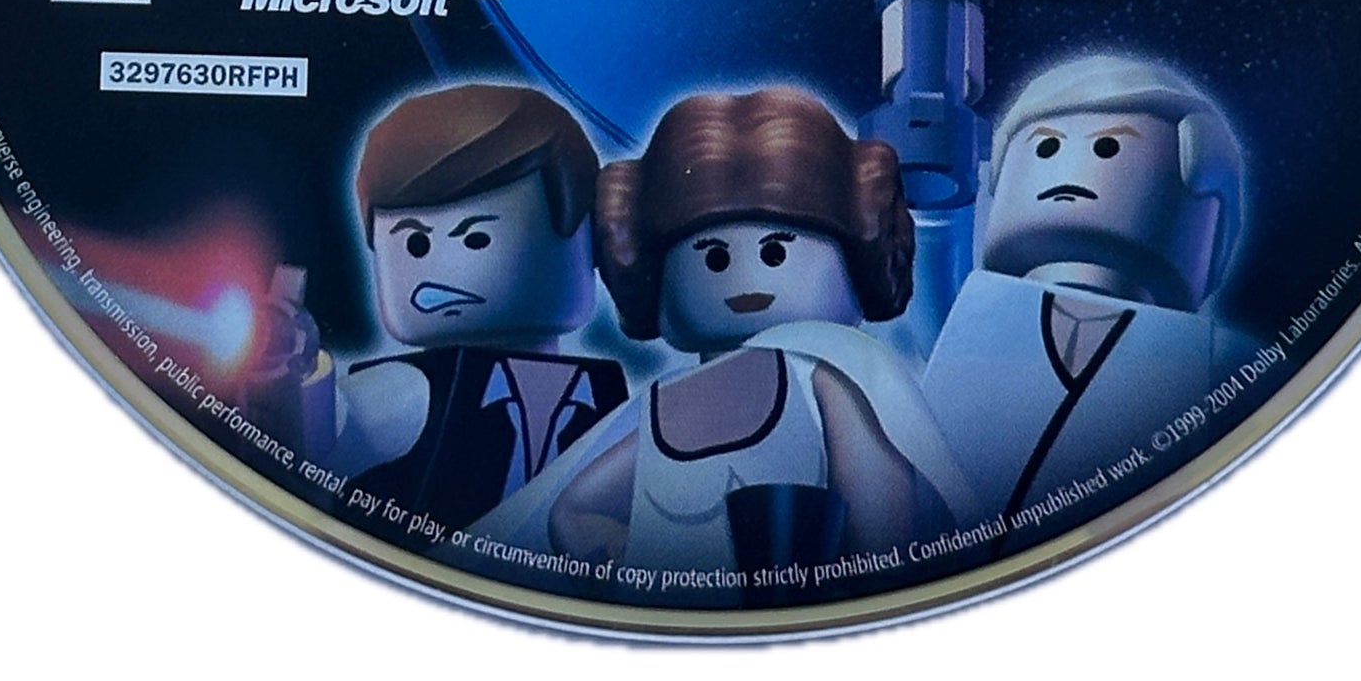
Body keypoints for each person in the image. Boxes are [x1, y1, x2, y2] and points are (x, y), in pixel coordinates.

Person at [481, 89, 970, 598]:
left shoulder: (828, 381)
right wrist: (625, 564)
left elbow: (880, 517)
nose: (744, 276)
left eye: (776, 252)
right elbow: (574, 509)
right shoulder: (663, 403)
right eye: (712, 257)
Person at [921, 55, 1250, 526]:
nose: (1068, 174)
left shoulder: (1222, 361)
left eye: (1108, 148)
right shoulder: (971, 317)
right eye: (1046, 149)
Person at [324, 83, 627, 531]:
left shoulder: (606, 395)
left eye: (476, 238)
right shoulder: (407, 389)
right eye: (416, 244)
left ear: (585, 235)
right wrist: (288, 382)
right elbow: (327, 429)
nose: (439, 271)